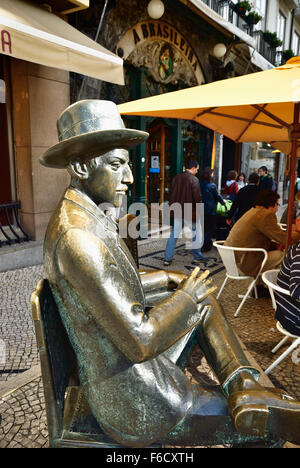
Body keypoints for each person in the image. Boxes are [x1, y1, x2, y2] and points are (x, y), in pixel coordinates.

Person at [40, 100, 300, 448]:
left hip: (122, 369)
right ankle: (250, 397)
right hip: (134, 399)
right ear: (79, 166)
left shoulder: (82, 213)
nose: (130, 178)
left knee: (202, 296)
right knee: (266, 431)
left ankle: (243, 381)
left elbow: (114, 292)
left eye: (128, 165)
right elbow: (141, 341)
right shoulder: (77, 238)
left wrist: (170, 281)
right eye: (117, 165)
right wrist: (185, 298)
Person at [225, 189, 300, 286]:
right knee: (282, 255)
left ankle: (260, 285)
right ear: (270, 204)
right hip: (244, 263)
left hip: (231, 261)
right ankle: (269, 285)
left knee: (276, 250)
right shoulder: (265, 215)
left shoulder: (253, 211)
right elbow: (285, 239)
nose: (277, 209)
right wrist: (298, 231)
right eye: (277, 204)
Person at [163, 160, 203, 266]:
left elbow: (171, 194)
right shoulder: (194, 180)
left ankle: (167, 258)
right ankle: (197, 257)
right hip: (190, 211)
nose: (197, 172)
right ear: (193, 168)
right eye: (197, 169)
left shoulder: (176, 178)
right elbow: (197, 198)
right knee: (195, 234)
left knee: (174, 234)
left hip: (177, 210)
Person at [200, 167, 226, 252]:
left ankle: (206, 244)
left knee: (204, 228)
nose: (213, 174)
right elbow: (218, 197)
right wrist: (224, 204)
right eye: (212, 173)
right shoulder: (212, 185)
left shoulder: (199, 184)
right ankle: (205, 245)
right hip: (210, 210)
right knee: (210, 229)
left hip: (201, 209)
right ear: (209, 175)